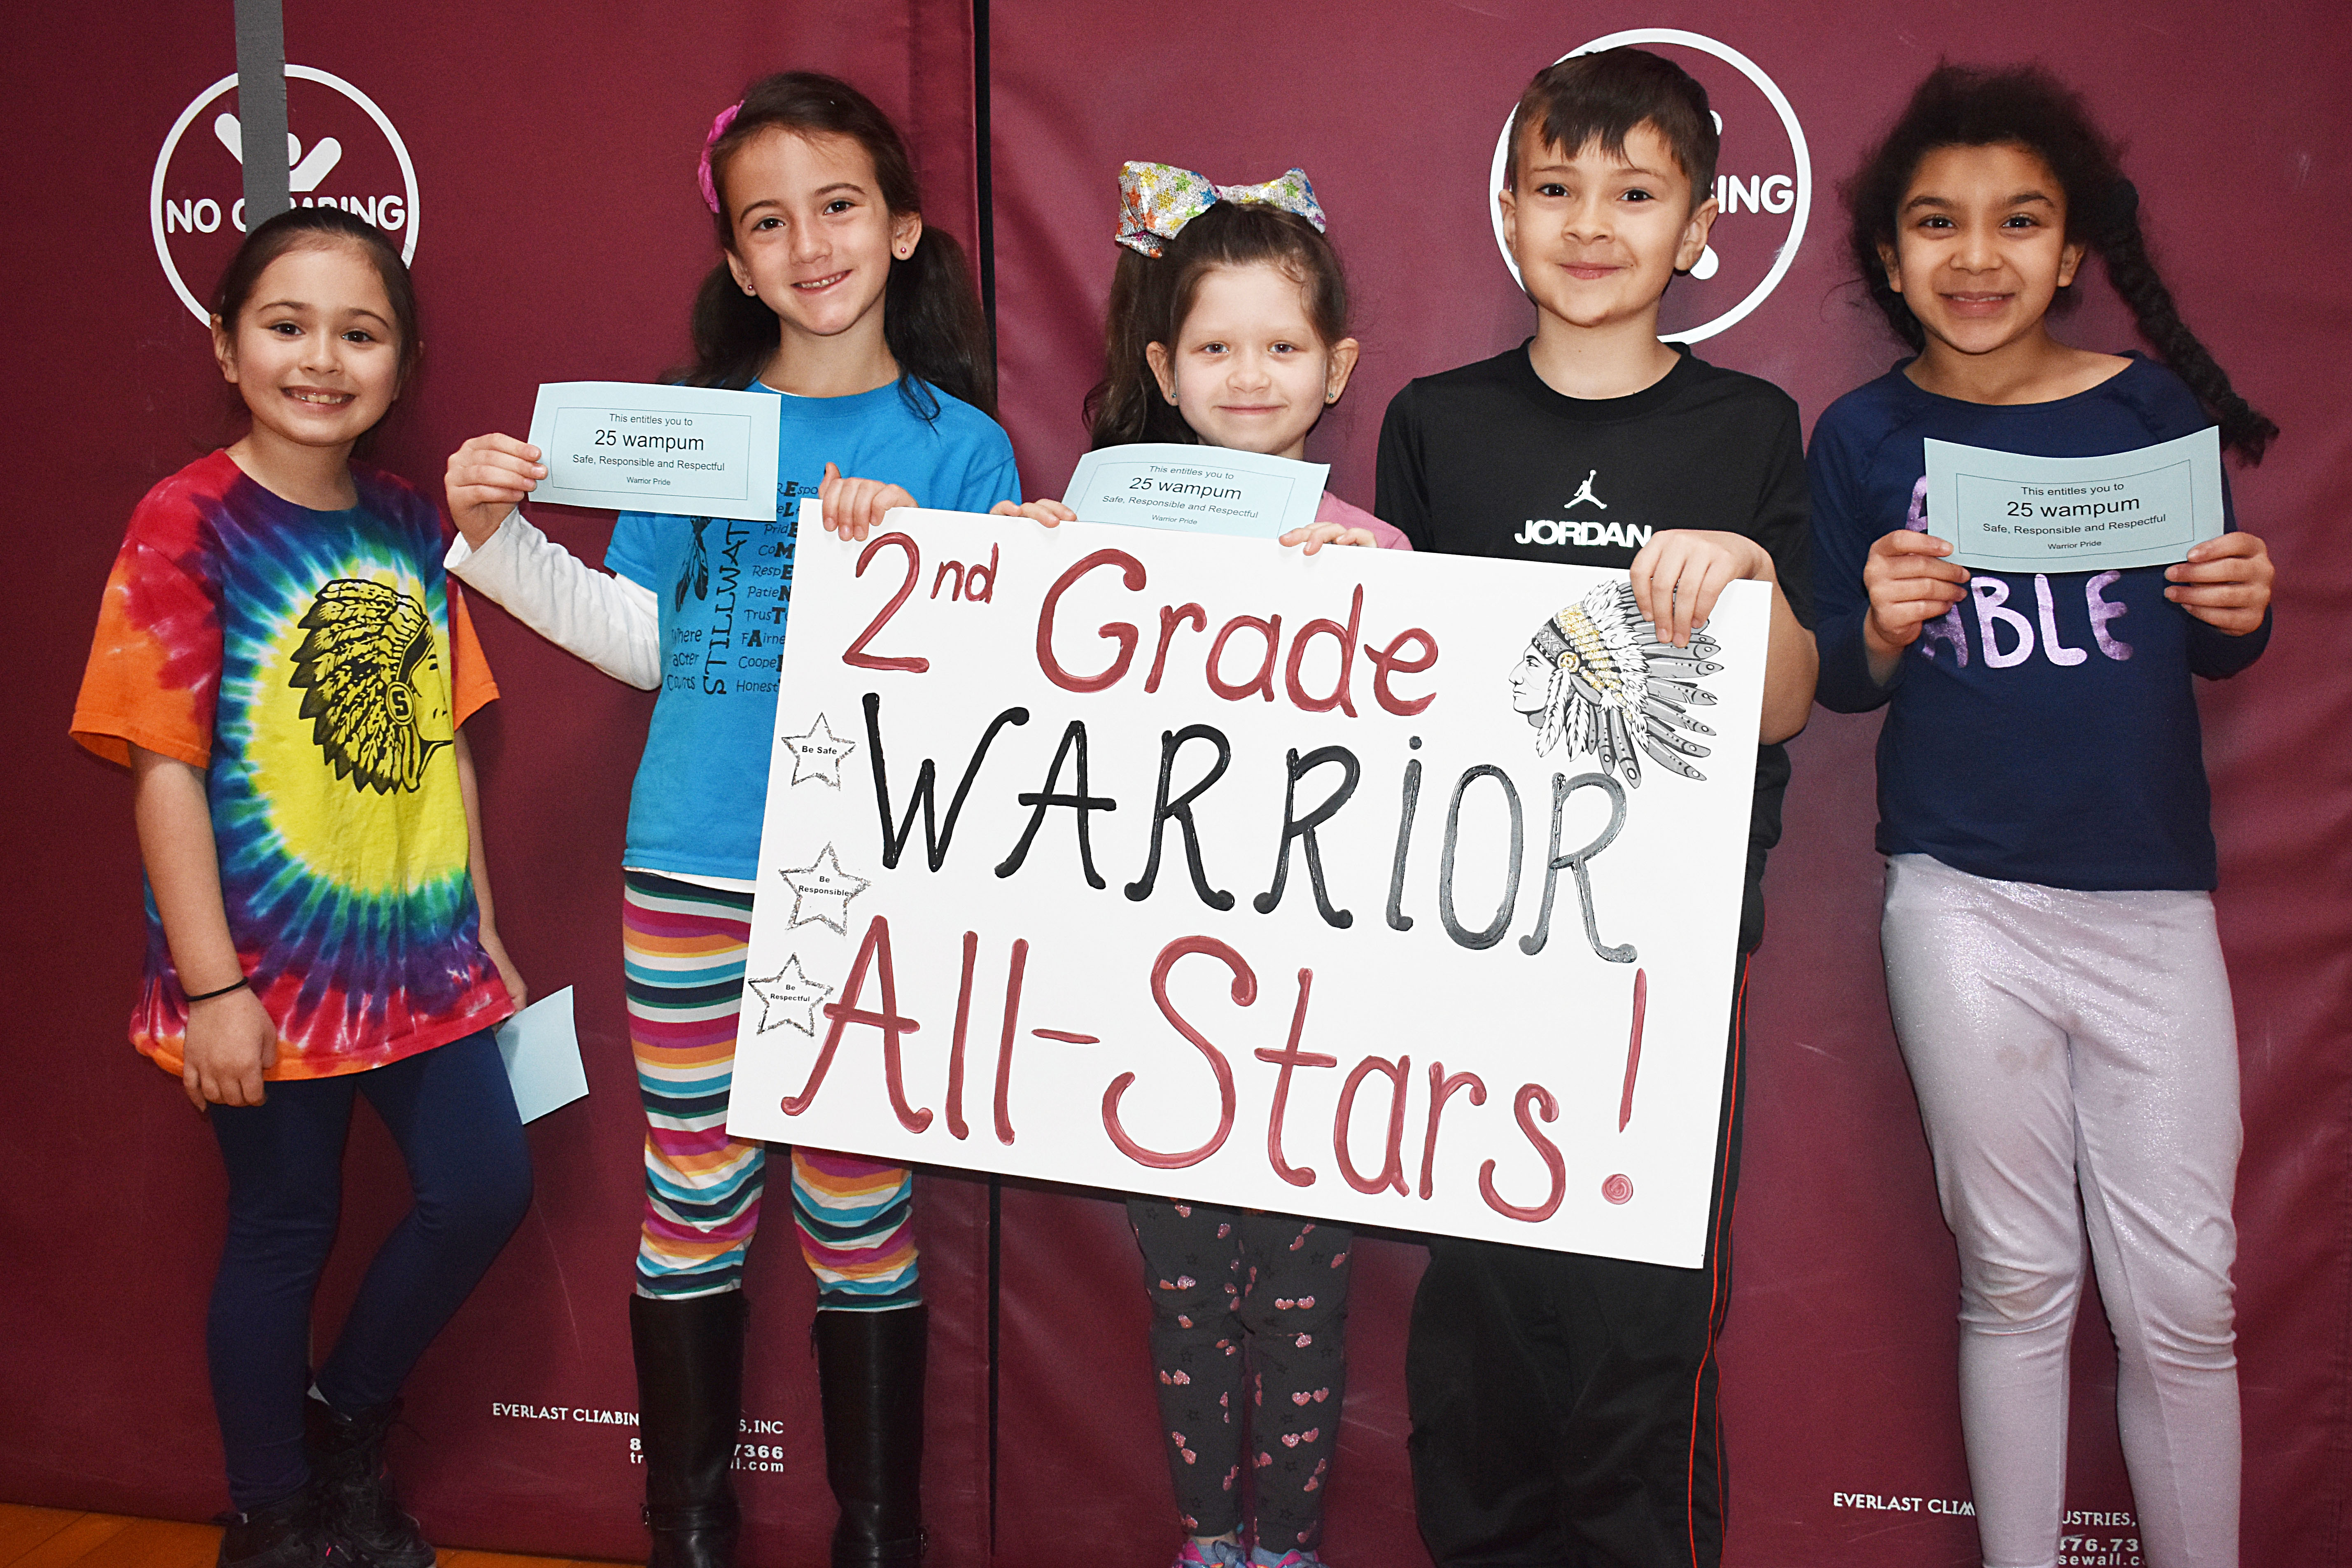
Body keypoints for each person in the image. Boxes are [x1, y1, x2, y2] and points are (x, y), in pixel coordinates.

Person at [441, 70, 1018, 1568]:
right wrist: (493, 546)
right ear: (736, 261)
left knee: (860, 1209)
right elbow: (646, 641)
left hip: (868, 884)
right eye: (769, 222)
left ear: (900, 229)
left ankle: (876, 1536)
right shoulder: (686, 434)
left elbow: (987, 680)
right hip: (690, 864)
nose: (809, 245)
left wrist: (927, 565)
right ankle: (686, 1532)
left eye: (838, 207)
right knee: (690, 1192)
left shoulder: (960, 447)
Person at [1811, 64, 2276, 1568]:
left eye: (2018, 223)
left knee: (2185, 1304)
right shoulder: (1862, 437)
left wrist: (2239, 605)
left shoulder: (2152, 411)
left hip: (2148, 904)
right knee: (2014, 1277)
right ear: (1891, 259)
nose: (1976, 257)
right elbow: (1844, 681)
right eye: (1936, 226)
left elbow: (2206, 640)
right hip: (1960, 900)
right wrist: (1876, 623)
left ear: (2071, 251)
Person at [1373, 47, 1818, 1567]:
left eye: (1634, 193)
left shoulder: (1752, 428)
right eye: (1555, 189)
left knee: (1641, 1338)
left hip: (1667, 966)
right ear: (1505, 212)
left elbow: (1789, 701)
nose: (1588, 223)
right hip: (1474, 947)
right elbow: (1381, 683)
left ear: (1700, 227)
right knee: (1480, 1335)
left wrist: (1750, 586)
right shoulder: (1434, 421)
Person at [70, 205, 534, 1568]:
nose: (321, 358)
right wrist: (211, 985)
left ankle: (344, 1425)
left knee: (482, 1189)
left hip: (423, 954)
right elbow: (161, 765)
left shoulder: (407, 523)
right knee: (285, 1227)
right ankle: (269, 1514)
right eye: (287, 325)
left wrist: (486, 926)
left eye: (360, 331)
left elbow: (444, 735)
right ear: (228, 346)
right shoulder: (185, 520)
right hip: (259, 974)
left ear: (403, 361)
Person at [997, 162, 1400, 1568]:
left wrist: (1372, 607)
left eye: (1281, 347)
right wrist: (998, 578)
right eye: (1215, 347)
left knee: (1301, 1300)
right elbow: (1010, 722)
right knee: (1181, 1296)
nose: (1248, 376)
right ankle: (1207, 1539)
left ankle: (1282, 1544)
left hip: (1310, 1012)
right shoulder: (1087, 538)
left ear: (1334, 367)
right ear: (1161, 366)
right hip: (1147, 998)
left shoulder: (1376, 555)